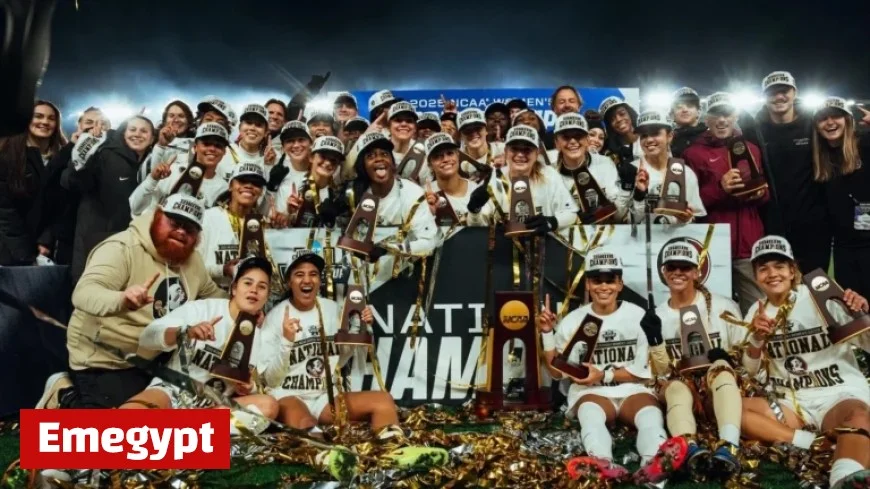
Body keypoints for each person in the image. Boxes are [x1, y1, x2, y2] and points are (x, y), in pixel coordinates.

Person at [36, 193, 225, 410]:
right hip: (105, 359)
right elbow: (84, 293)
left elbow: (213, 294)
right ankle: (64, 393)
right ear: (157, 217)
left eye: (189, 229)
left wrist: (246, 309)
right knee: (112, 437)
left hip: (154, 358)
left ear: (198, 238)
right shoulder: (122, 248)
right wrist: (122, 299)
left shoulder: (193, 262)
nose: (181, 232)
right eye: (174, 222)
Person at [540, 247, 687, 485]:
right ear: (588, 284)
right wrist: (547, 333)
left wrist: (604, 375)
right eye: (597, 280)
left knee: (650, 415)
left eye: (610, 280)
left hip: (631, 389)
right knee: (590, 414)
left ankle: (654, 466)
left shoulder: (637, 315)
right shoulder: (574, 321)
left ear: (620, 284)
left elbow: (642, 371)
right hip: (592, 392)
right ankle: (602, 464)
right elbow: (556, 372)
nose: (604, 287)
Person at [738, 235, 870, 489]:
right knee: (734, 408)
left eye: (779, 266)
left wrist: (861, 315)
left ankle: (842, 478)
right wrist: (755, 338)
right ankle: (812, 443)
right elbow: (750, 371)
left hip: (837, 393)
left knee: (859, 416)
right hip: (790, 403)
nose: (771, 274)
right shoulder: (756, 311)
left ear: (792, 270)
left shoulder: (820, 295)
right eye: (763, 268)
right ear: (756, 276)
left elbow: (866, 343)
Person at [128, 256, 278, 433]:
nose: (254, 290)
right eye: (248, 283)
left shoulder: (263, 336)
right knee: (125, 420)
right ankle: (186, 436)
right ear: (234, 288)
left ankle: (178, 434)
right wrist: (184, 332)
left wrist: (249, 387)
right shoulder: (202, 309)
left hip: (212, 408)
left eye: (262, 287)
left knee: (269, 406)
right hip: (172, 391)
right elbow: (147, 337)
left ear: (267, 296)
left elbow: (261, 387)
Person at [258, 251, 399, 435]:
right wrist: (286, 341)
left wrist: (360, 327)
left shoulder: (333, 310)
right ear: (289, 282)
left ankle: (393, 453)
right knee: (308, 426)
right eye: (299, 275)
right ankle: (326, 457)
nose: (307, 280)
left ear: (319, 281)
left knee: (384, 401)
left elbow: (340, 358)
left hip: (324, 397)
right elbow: (270, 379)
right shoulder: (276, 317)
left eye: (313, 274)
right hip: (288, 395)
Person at [645, 242, 744, 477]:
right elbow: (660, 373)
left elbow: (744, 352)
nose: (678, 272)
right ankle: (689, 448)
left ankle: (729, 446)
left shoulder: (723, 306)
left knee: (721, 368)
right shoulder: (657, 315)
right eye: (672, 267)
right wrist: (655, 341)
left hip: (721, 393)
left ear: (696, 272)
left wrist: (728, 359)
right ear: (664, 272)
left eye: (685, 267)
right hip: (681, 393)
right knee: (676, 385)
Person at [683, 92, 768, 312]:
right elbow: (689, 205)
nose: (722, 120)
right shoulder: (693, 153)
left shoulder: (752, 148)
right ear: (705, 118)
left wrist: (761, 194)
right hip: (712, 247)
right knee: (714, 311)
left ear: (735, 115)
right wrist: (720, 188)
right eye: (715, 114)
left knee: (757, 312)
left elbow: (764, 194)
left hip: (748, 245)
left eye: (726, 114)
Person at [753, 71, 831, 273]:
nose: (779, 96)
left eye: (784, 91)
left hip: (813, 225)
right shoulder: (754, 129)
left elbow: (843, 141)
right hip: (772, 224)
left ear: (794, 93)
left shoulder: (813, 125)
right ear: (764, 97)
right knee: (779, 289)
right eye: (772, 92)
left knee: (815, 288)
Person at [64, 115, 157, 283]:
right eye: (132, 129)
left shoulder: (153, 163)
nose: (137, 134)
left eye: (144, 131)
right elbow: (73, 182)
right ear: (123, 133)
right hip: (95, 239)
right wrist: (82, 160)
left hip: (129, 243)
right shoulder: (105, 153)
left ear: (152, 139)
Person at [466, 125, 578, 233]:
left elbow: (571, 213)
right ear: (505, 151)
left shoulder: (550, 175)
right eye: (514, 149)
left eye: (527, 150)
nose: (520, 154)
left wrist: (551, 222)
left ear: (537, 152)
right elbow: (476, 227)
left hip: (544, 246)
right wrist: (474, 210)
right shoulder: (494, 178)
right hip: (504, 246)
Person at [812, 97, 870, 297]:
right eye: (822, 119)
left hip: (868, 242)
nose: (829, 122)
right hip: (843, 247)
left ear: (847, 119)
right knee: (854, 311)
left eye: (836, 116)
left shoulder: (865, 141)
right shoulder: (821, 156)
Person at [348, 132, 440, 258]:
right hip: (361, 269)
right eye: (370, 156)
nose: (379, 158)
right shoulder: (352, 193)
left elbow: (429, 242)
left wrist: (389, 249)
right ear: (362, 166)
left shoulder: (413, 192)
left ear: (392, 163)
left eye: (384, 154)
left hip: (402, 269)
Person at [0, 100, 66, 266]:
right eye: (38, 116)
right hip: (11, 252)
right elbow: (5, 213)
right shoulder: (6, 156)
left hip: (49, 251)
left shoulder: (63, 158)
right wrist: (26, 254)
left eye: (51, 118)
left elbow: (62, 206)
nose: (44, 122)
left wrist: (46, 240)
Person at [129, 122, 230, 215]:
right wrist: (152, 180)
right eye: (206, 143)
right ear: (195, 147)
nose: (212, 149)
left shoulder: (224, 188)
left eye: (218, 146)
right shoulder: (171, 171)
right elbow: (135, 208)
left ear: (224, 152)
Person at [629, 110, 707, 225]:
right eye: (644, 135)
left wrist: (686, 219)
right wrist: (639, 195)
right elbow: (624, 220)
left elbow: (695, 216)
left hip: (675, 240)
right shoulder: (630, 169)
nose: (649, 140)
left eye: (655, 133)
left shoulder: (686, 172)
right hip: (640, 241)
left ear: (670, 136)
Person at [199, 163, 269, 288]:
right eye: (242, 181)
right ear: (231, 186)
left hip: (250, 299)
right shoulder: (208, 217)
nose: (249, 186)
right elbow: (193, 268)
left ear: (261, 191)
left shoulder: (263, 224)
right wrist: (223, 270)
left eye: (256, 183)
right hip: (213, 297)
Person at [550, 113, 627, 224]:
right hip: (564, 236)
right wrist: (574, 219)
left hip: (603, 234)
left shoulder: (606, 164)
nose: (572, 141)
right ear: (557, 143)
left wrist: (627, 190)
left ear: (587, 140)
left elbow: (618, 214)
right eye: (566, 137)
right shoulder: (549, 172)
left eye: (578, 136)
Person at [285, 136, 351, 228]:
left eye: (333, 160)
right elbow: (278, 226)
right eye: (323, 156)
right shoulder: (291, 187)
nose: (328, 163)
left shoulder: (340, 194)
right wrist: (291, 215)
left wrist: (335, 220)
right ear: (311, 157)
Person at [423, 132, 478, 224]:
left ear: (458, 155)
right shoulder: (424, 195)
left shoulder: (476, 190)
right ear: (429, 164)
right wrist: (429, 216)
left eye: (450, 153)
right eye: (437, 156)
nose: (445, 159)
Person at [137, 100, 195, 182]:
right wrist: (160, 146)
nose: (176, 120)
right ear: (164, 121)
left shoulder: (197, 144)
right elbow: (142, 178)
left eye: (181, 116)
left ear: (189, 121)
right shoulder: (151, 142)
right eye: (171, 116)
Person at [217, 104, 273, 180]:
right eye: (249, 123)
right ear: (240, 128)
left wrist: (268, 166)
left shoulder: (272, 159)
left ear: (266, 132)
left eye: (258, 125)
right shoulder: (223, 152)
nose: (252, 128)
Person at [457, 108, 505, 181]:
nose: (473, 133)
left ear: (486, 130)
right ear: (461, 136)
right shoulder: (456, 160)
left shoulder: (503, 150)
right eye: (467, 131)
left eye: (478, 128)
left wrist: (508, 163)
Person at [269, 121, 313, 201]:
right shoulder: (275, 170)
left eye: (301, 140)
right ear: (283, 147)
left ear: (311, 143)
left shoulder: (320, 169)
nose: (296, 145)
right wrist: (272, 188)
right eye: (290, 141)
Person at [599, 96, 640, 167]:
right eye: (612, 119)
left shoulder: (649, 135)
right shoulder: (609, 152)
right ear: (609, 126)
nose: (618, 119)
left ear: (630, 114)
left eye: (622, 114)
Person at [670, 87, 707, 159]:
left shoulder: (712, 138)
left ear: (699, 112)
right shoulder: (666, 142)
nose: (684, 110)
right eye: (679, 107)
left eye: (690, 106)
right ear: (672, 114)